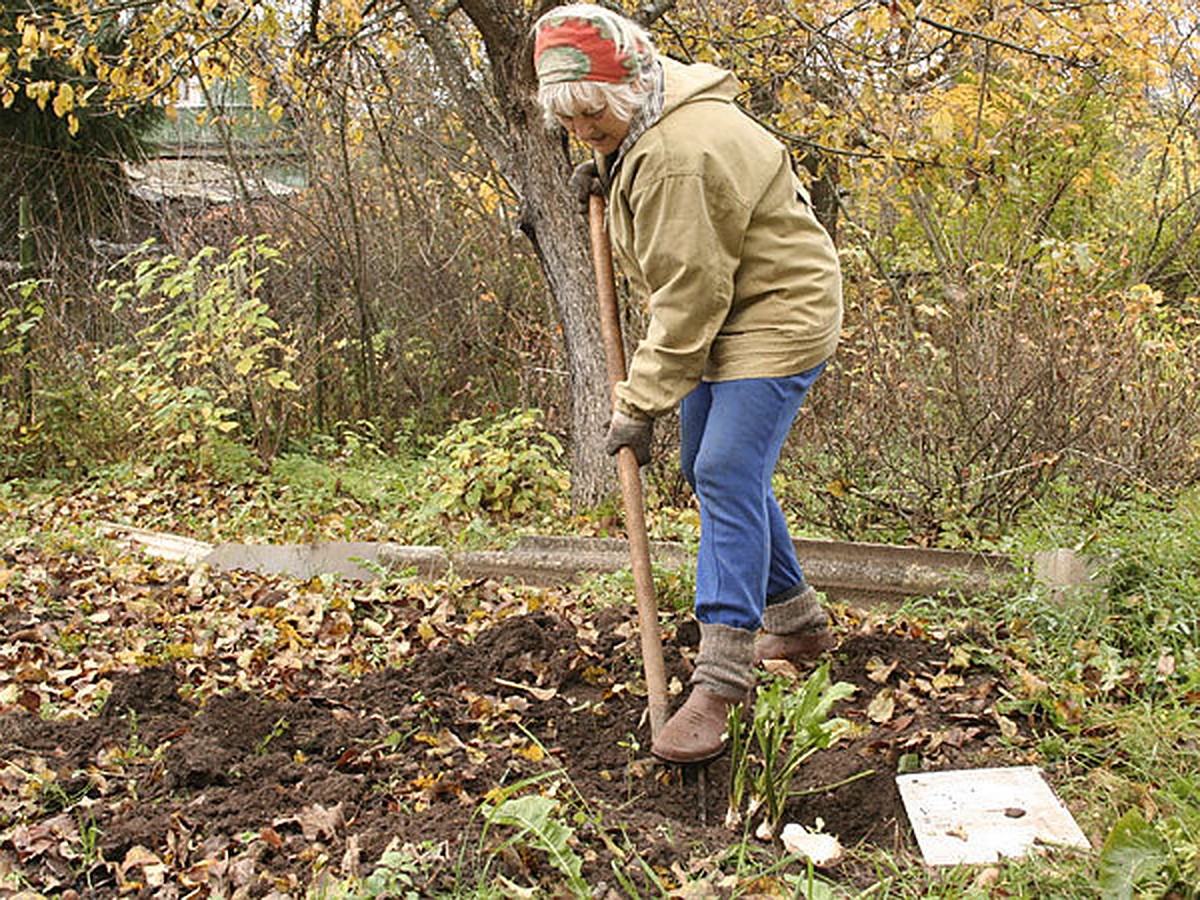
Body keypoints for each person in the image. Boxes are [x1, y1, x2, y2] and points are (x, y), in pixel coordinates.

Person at [532, 4, 844, 764]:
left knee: (724, 470)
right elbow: (690, 272)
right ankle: (797, 620)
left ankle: (721, 678)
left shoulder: (676, 154)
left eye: (594, 121)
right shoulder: (651, 109)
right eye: (571, 123)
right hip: (729, 306)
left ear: (629, 89)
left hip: (773, 313)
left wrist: (637, 404)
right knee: (710, 471)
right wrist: (610, 162)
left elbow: (687, 298)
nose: (583, 133)